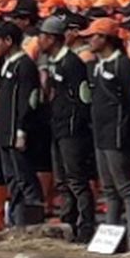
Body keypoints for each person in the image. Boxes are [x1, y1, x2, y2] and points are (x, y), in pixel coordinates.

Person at [84, 17, 130, 249]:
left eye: (93, 36)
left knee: (126, 188)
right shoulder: (98, 65)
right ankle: (111, 237)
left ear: (105, 38)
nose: (89, 40)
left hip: (117, 135)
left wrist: (128, 130)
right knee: (108, 189)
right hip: (100, 134)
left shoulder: (124, 65)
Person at [39, 15, 95, 242]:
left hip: (71, 131)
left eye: (43, 36)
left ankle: (86, 225)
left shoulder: (71, 63)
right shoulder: (53, 63)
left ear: (52, 38)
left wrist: (74, 124)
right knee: (62, 181)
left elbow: (82, 98)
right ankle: (67, 222)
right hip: (57, 128)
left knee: (76, 179)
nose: (39, 40)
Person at [0, 22, 44, 226]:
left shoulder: (24, 65)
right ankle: (16, 222)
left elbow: (28, 99)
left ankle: (33, 222)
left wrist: (21, 130)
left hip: (17, 132)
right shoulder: (5, 64)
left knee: (25, 177)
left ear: (8, 41)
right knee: (12, 179)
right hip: (4, 132)